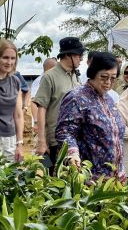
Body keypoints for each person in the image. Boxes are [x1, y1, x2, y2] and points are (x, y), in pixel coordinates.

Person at [55, 52, 126, 182]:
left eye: (113, 78)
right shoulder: (77, 97)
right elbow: (65, 131)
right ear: (93, 73)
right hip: (90, 179)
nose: (108, 82)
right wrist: (72, 154)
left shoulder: (108, 98)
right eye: (104, 77)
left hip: (115, 178)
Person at [33, 37, 85, 174]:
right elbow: (41, 108)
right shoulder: (49, 77)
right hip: (54, 140)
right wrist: (42, 141)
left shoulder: (75, 76)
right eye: (78, 55)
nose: (81, 59)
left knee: (71, 178)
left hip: (74, 139)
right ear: (68, 55)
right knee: (51, 176)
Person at [30, 57, 57, 133]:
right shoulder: (39, 81)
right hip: (40, 125)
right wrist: (36, 122)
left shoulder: (51, 79)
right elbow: (33, 102)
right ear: (50, 68)